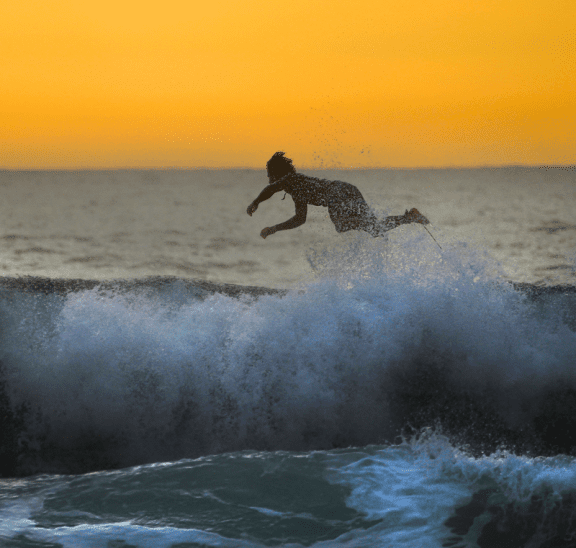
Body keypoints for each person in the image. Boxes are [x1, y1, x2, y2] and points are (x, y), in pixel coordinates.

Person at [247, 152, 430, 239]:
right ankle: (409, 217)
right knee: (374, 229)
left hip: (337, 193)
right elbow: (300, 219)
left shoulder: (290, 179)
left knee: (342, 226)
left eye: (269, 173)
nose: (268, 178)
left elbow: (270, 189)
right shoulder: (296, 190)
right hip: (348, 189)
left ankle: (368, 222)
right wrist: (274, 229)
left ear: (277, 173)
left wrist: (255, 202)